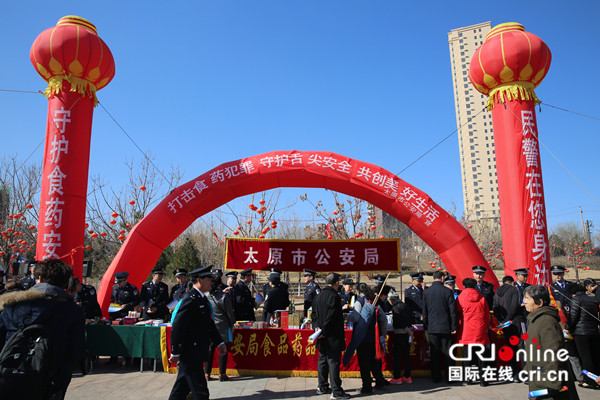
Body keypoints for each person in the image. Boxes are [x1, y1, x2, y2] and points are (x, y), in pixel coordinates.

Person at [0, 258, 86, 399]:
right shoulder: (72, 311)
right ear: (65, 282)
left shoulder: (12, 305)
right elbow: (76, 349)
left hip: (10, 373)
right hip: (52, 376)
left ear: (39, 278)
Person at [168, 266, 226, 400]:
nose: (211, 282)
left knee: (180, 390)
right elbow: (178, 326)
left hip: (196, 351)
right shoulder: (190, 299)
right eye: (208, 279)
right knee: (201, 392)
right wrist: (175, 351)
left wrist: (220, 342)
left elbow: (209, 324)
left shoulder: (202, 299)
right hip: (190, 353)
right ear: (199, 280)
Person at [523, 285, 578, 399]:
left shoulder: (546, 321)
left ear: (540, 302)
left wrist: (553, 382)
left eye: (528, 298)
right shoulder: (535, 319)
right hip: (539, 376)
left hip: (548, 381)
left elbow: (554, 352)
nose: (525, 302)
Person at [312, 272, 350, 399]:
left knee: (322, 360)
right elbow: (332, 317)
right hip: (332, 336)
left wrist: (317, 328)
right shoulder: (333, 296)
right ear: (336, 283)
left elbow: (314, 316)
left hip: (321, 335)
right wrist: (324, 330)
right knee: (333, 362)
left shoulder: (319, 296)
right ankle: (336, 390)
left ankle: (322, 386)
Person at [349, 283, 388, 393]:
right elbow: (383, 318)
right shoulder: (373, 301)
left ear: (358, 292)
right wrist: (383, 333)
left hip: (362, 337)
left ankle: (367, 386)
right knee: (374, 361)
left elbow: (356, 317)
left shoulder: (360, 301)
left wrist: (348, 318)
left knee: (364, 363)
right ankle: (379, 382)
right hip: (374, 336)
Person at [422, 270, 457, 383]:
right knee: (448, 352)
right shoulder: (447, 291)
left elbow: (425, 311)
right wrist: (454, 326)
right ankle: (451, 377)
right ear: (442, 278)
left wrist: (426, 325)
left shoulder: (427, 292)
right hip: (445, 326)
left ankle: (436, 377)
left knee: (434, 352)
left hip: (432, 327)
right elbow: (453, 311)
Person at [457, 278, 491, 386]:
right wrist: (485, 326)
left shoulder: (460, 298)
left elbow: (456, 313)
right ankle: (483, 380)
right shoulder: (482, 298)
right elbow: (487, 315)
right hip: (480, 330)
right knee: (482, 356)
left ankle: (468, 379)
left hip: (466, 330)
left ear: (464, 286)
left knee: (467, 356)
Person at [565, 284, 600, 389]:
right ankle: (597, 379)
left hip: (581, 332)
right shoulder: (591, 299)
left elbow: (573, 316)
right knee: (595, 356)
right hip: (594, 331)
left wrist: (568, 327)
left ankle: (590, 381)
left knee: (585, 357)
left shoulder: (576, 299)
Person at [204, 272, 236, 382]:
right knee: (223, 349)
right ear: (219, 284)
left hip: (210, 325)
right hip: (222, 326)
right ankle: (222, 374)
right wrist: (232, 323)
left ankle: (207, 373)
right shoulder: (223, 296)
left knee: (210, 350)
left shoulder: (206, 295)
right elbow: (230, 313)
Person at [492, 275, 521, 377]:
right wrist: (508, 319)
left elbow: (495, 308)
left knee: (509, 346)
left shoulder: (497, 291)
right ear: (512, 282)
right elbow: (514, 306)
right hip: (514, 322)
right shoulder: (514, 290)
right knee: (520, 346)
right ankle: (521, 372)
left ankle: (514, 372)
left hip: (503, 324)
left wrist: (502, 320)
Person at [388, 289, 413, 384]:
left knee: (397, 356)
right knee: (406, 356)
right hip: (407, 334)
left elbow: (400, 321)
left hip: (400, 333)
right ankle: (408, 376)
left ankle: (397, 377)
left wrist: (407, 330)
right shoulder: (404, 305)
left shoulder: (395, 308)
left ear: (391, 300)